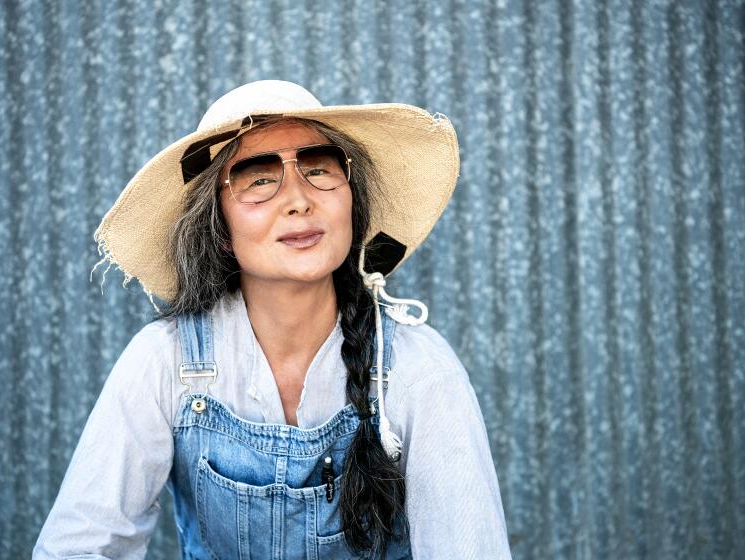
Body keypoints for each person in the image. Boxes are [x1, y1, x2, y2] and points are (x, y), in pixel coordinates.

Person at [33, 80, 512, 560]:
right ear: (219, 229)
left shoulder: (417, 370)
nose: (299, 199)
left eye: (319, 169)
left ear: (351, 202)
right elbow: (78, 546)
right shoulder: (166, 361)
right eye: (259, 179)